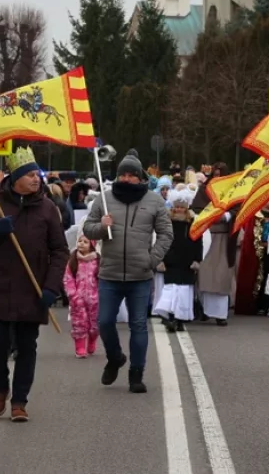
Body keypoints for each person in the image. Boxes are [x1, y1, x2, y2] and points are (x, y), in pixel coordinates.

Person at [0, 146, 69, 421]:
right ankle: (1, 387)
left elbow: (60, 250)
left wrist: (51, 287)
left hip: (32, 289)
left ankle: (20, 400)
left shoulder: (47, 208)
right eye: (31, 174)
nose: (37, 179)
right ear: (16, 178)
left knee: (27, 346)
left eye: (38, 174)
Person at [82, 148, 173, 394]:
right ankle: (115, 358)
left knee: (139, 326)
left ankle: (136, 374)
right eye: (123, 175)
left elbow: (166, 233)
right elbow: (88, 229)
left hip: (140, 275)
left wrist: (152, 259)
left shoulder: (154, 201)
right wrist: (101, 226)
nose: (126, 179)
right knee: (105, 322)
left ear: (141, 177)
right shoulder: (104, 198)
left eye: (132, 175)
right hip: (109, 275)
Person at [155, 189, 202, 333]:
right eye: (177, 206)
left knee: (184, 292)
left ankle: (180, 319)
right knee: (170, 289)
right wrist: (159, 259)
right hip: (171, 261)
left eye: (182, 206)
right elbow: (160, 241)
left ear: (186, 208)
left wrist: (197, 259)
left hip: (187, 262)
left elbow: (198, 242)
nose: (179, 209)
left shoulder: (193, 223)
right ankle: (169, 316)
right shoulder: (166, 221)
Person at [63, 235, 101, 357]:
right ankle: (80, 347)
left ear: (92, 245)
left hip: (95, 299)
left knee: (94, 324)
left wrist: (100, 295)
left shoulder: (98, 261)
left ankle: (92, 340)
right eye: (79, 241)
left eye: (85, 242)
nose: (81, 244)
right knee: (79, 323)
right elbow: (68, 279)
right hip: (78, 300)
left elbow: (102, 279)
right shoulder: (73, 260)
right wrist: (73, 295)